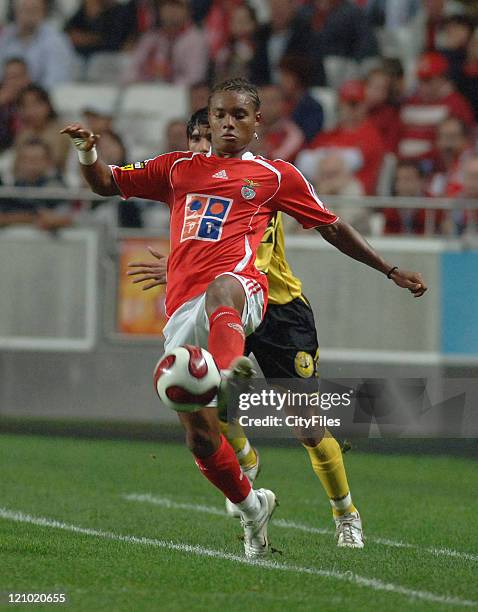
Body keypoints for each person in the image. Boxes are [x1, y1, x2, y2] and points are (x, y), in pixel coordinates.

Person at [61, 77, 427, 558]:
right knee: (199, 435)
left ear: (257, 124)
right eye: (218, 116)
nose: (227, 124)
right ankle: (252, 506)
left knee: (305, 421)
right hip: (192, 312)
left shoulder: (276, 177)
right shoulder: (177, 170)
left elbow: (332, 226)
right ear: (206, 121)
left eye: (238, 115)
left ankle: (346, 513)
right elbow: (109, 184)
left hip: (265, 303)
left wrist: (389, 269)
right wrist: (89, 153)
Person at [130, 108, 364, 548]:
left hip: (276, 308)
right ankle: (245, 459)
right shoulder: (191, 183)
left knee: (307, 426)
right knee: (209, 398)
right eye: (195, 139)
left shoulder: (258, 181)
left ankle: (345, 511)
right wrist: (180, 269)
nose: (201, 146)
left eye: (207, 136)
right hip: (224, 307)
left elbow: (312, 226)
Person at [296, 80, 386, 194]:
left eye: (354, 104)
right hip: (324, 189)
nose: (350, 109)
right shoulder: (329, 134)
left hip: (358, 196)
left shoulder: (370, 135)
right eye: (345, 104)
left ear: (364, 106)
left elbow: (349, 163)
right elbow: (304, 161)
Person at [397, 51, 475, 164]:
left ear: (442, 78)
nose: (423, 86)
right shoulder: (409, 102)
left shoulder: (456, 105)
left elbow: (462, 144)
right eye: (420, 80)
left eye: (428, 81)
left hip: (434, 169)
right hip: (405, 168)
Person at [125, 0, 209, 85]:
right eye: (167, 5)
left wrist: (165, 87)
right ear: (159, 10)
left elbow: (195, 79)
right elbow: (130, 71)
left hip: (179, 95)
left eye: (177, 6)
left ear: (188, 11)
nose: (172, 11)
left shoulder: (196, 40)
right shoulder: (150, 38)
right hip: (146, 92)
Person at [0, 138, 73, 229]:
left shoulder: (56, 188)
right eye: (25, 159)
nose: (29, 164)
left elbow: (65, 218)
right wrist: (32, 217)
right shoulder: (10, 188)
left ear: (48, 162)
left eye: (35, 159)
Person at [0, 0, 74, 89]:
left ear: (43, 12)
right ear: (15, 11)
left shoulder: (57, 41)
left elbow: (55, 81)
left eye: (33, 10)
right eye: (24, 10)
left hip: (39, 97)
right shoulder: (6, 37)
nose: (29, 15)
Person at [15, 84, 70, 175]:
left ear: (47, 105)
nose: (30, 111)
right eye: (25, 106)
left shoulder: (62, 132)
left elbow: (56, 165)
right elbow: (15, 168)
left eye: (35, 105)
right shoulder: (23, 134)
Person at [0, 57, 31, 151]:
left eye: (16, 77)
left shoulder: (36, 99)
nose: (12, 82)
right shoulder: (2, 101)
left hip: (26, 148)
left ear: (27, 79)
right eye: (8, 77)